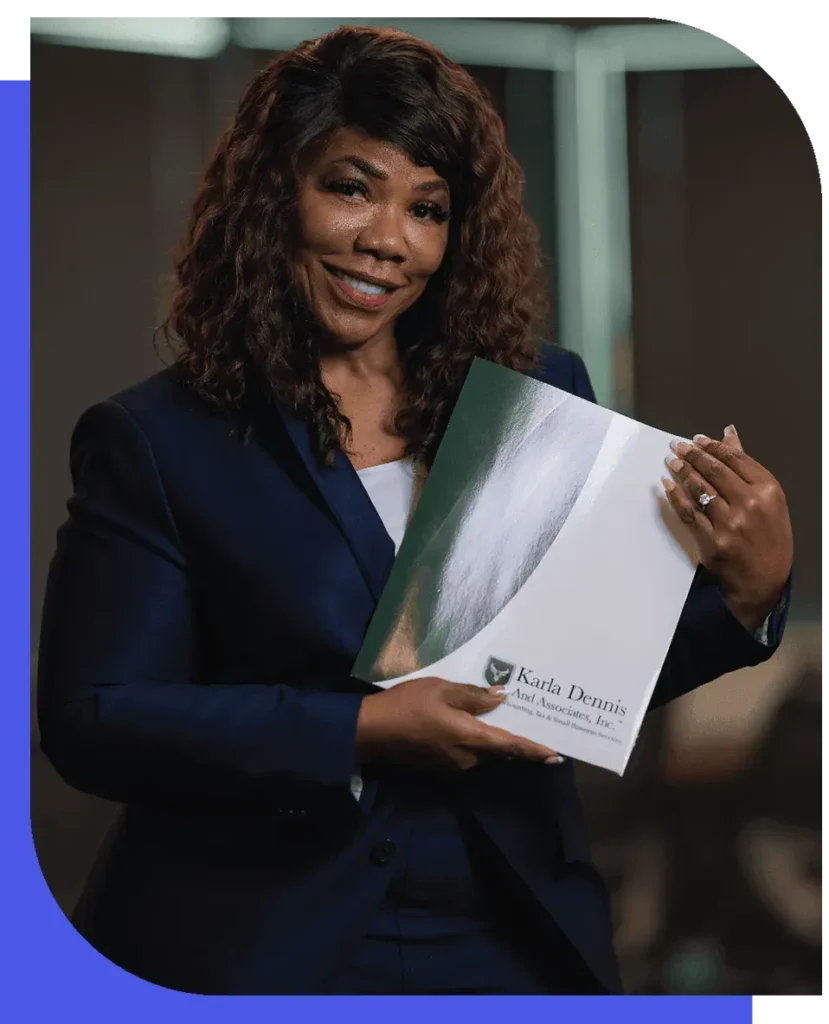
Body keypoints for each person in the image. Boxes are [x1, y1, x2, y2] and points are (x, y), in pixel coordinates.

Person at [37, 26, 793, 996]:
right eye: (351, 187)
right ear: (274, 196)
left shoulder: (533, 398)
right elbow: (96, 720)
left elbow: (575, 682)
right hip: (267, 944)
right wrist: (361, 731)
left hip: (513, 931)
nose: (390, 240)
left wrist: (749, 593)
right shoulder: (158, 438)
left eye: (427, 208)